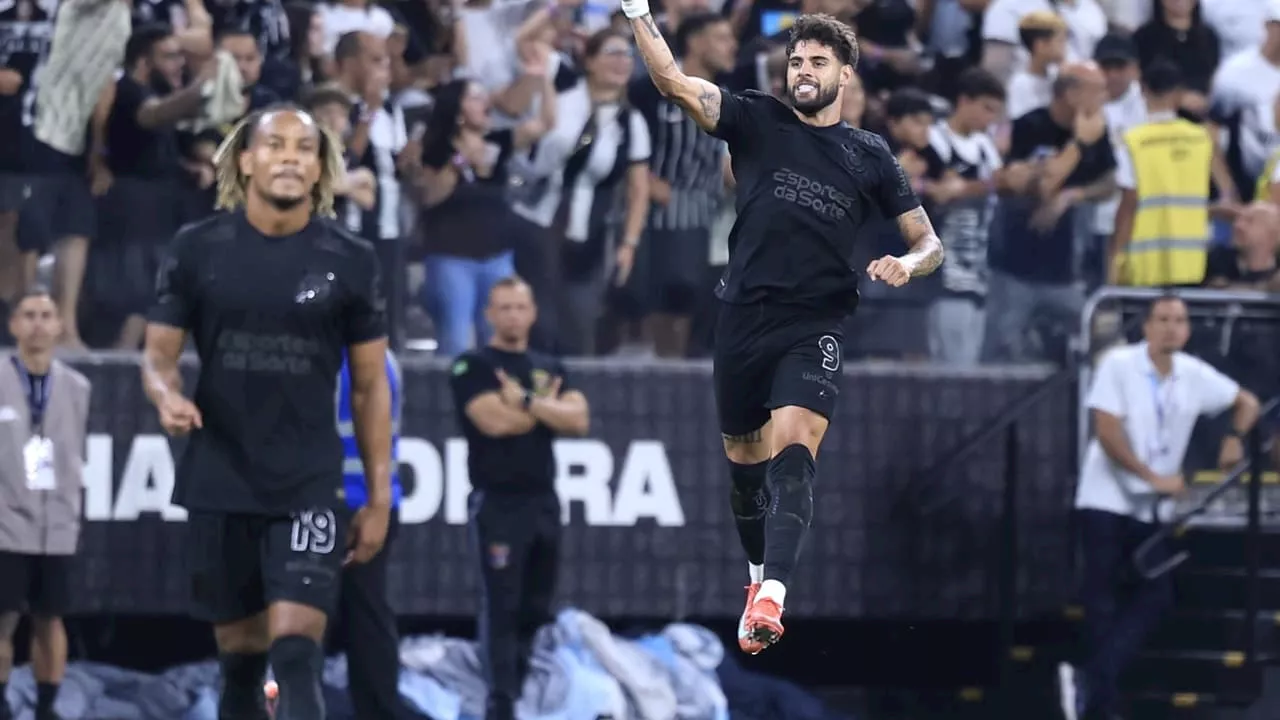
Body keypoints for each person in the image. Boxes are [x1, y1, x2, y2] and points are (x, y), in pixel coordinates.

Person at [622, 4, 944, 653]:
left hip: (814, 323)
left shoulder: (870, 153)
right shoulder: (755, 117)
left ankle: (774, 593)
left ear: (844, 74)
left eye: (817, 62)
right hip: (740, 317)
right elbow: (674, 83)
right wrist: (637, 11)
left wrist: (908, 265)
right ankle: (755, 579)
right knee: (745, 466)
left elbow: (929, 243)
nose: (802, 71)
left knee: (795, 450)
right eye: (796, 61)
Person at [141, 105, 394, 720]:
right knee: (242, 663)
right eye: (275, 145)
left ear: (320, 169)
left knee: (297, 648)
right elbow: (157, 356)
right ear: (245, 161)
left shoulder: (351, 259)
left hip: (309, 481)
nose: (289, 157)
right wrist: (166, 395)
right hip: (220, 476)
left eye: (304, 149)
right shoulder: (196, 248)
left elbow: (369, 387)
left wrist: (380, 497)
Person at [1064, 293, 1260, 720]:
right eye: (1163, 319)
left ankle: (1092, 680)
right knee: (1102, 601)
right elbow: (1107, 431)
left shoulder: (1192, 373)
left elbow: (1246, 402)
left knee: (1157, 594)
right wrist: (1153, 478)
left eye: (1180, 320)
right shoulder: (1118, 364)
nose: (1172, 327)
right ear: (1147, 326)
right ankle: (1102, 701)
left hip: (1150, 509)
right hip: (1106, 500)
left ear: (1187, 330)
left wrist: (1233, 437)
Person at [448, 276, 590, 720]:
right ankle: (500, 701)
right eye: (503, 307)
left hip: (544, 501)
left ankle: (522, 689)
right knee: (501, 604)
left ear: (532, 312)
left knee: (537, 606)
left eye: (519, 307)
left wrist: (524, 400)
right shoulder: (470, 365)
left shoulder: (549, 363)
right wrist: (546, 409)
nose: (512, 315)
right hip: (497, 503)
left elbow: (580, 420)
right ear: (489, 314)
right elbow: (494, 422)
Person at [0, 288, 91, 720]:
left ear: (58, 325)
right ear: (13, 324)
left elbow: (74, 457)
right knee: (3, 618)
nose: (38, 323)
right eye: (29, 314)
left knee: (50, 618)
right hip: (4, 521)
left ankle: (47, 707)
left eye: (46, 315)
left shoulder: (78, 387)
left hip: (57, 524)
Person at [335, 348, 411, 719]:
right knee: (368, 613)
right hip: (374, 504)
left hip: (339, 502)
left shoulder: (333, 358)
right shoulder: (385, 357)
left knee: (301, 616)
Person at [1109, 60, 1214, 287]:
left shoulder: (1132, 142)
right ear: (1179, 93)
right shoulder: (1201, 139)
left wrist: (1115, 256)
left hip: (1145, 264)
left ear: (1143, 90)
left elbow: (1129, 201)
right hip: (1192, 262)